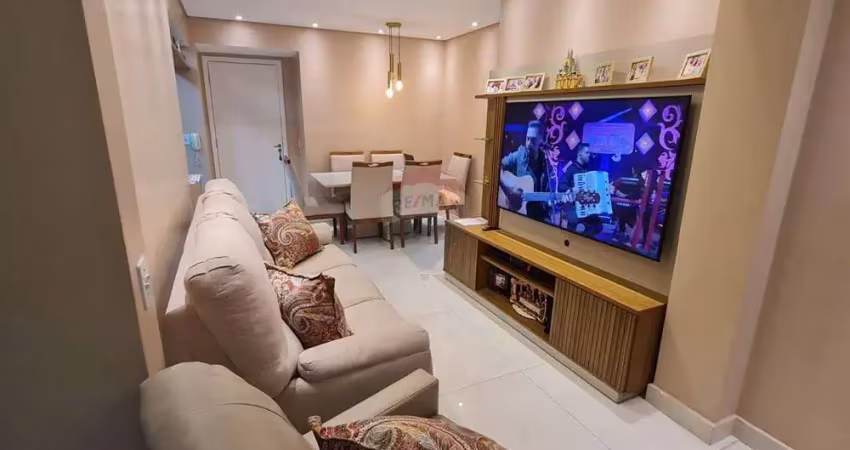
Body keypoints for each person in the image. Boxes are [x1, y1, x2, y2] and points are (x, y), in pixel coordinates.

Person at [499, 121, 552, 221]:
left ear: (541, 141)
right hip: (520, 213)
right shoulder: (518, 155)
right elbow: (497, 165)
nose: (528, 144)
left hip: (537, 211)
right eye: (527, 139)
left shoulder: (545, 163)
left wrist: (551, 201)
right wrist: (508, 189)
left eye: (533, 140)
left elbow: (547, 192)